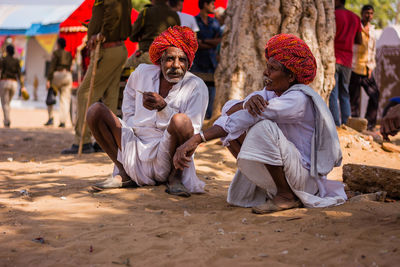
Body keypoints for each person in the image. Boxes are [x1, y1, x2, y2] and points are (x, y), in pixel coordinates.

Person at [174, 33, 346, 213]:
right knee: (234, 132)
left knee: (262, 127)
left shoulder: (298, 99)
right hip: (289, 170)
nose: (266, 73)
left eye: (273, 68)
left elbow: (248, 117)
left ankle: (286, 195)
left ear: (291, 76)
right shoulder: (271, 93)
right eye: (267, 67)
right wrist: (246, 103)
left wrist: (197, 139)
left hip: (305, 178)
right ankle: (272, 187)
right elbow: (228, 111)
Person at [86, 26, 208, 197]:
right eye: (170, 59)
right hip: (133, 146)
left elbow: (193, 133)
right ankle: (124, 172)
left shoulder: (196, 86)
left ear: (188, 63)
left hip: (170, 156)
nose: (175, 65)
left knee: (182, 121)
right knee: (95, 111)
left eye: (182, 60)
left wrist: (164, 108)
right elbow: (128, 100)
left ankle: (175, 179)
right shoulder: (142, 73)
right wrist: (129, 129)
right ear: (160, 60)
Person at [61, 0, 132, 154]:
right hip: (118, 48)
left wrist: (102, 34)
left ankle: (83, 141)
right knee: (110, 96)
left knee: (84, 94)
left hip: (107, 49)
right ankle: (106, 141)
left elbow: (113, 11)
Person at [329, 0, 362, 126]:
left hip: (334, 58)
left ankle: (336, 124)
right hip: (347, 61)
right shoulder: (355, 17)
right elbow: (359, 40)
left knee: (333, 92)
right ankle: (347, 124)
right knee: (344, 93)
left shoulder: (333, 15)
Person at [349, 5, 379, 131]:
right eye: (367, 13)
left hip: (367, 69)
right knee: (354, 99)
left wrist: (371, 66)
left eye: (371, 13)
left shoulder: (372, 30)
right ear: (362, 13)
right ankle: (355, 125)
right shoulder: (356, 27)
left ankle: (369, 125)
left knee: (375, 95)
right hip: (354, 67)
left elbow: (372, 51)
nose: (369, 16)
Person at [126, 0, 180, 69]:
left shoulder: (146, 12)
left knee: (123, 71)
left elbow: (132, 37)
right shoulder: (175, 15)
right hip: (168, 58)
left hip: (147, 55)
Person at [191, 0, 222, 119]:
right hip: (197, 62)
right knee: (196, 91)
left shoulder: (214, 22)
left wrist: (203, 41)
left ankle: (208, 118)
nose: (214, 6)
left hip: (212, 62)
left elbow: (219, 40)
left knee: (211, 93)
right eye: (211, 4)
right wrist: (210, 43)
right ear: (205, 4)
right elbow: (194, 43)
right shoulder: (194, 21)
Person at [44, 37, 73, 128]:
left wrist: (49, 79)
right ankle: (63, 121)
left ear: (58, 45)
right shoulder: (69, 54)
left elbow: (52, 66)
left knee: (51, 96)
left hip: (57, 75)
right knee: (65, 100)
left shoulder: (56, 53)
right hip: (67, 75)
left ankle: (51, 118)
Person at [0, 44, 25, 128]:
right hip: (14, 83)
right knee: (8, 103)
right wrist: (22, 86)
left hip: (4, 81)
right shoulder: (16, 61)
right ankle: (7, 119)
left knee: (5, 103)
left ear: (7, 51)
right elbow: (19, 74)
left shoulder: (3, 60)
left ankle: (7, 121)